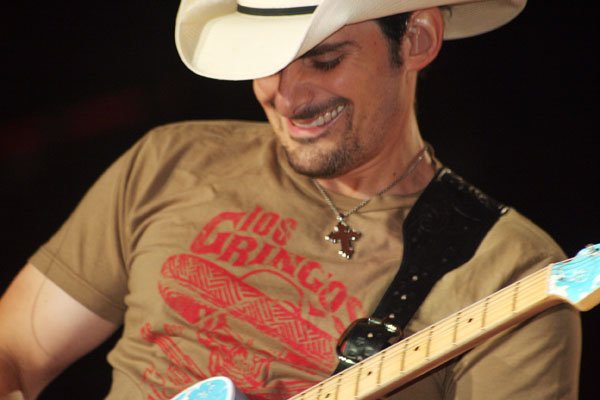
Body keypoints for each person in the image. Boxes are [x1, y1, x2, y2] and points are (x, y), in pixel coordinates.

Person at [0, 0, 582, 399]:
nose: (286, 96)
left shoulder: (512, 273)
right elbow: (16, 348)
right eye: (262, 63)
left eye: (324, 59)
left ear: (416, 39)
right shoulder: (172, 159)